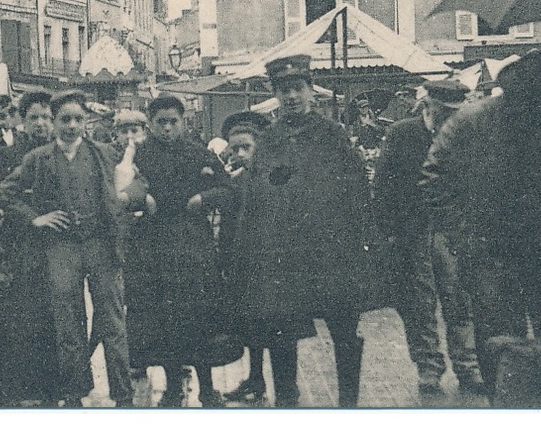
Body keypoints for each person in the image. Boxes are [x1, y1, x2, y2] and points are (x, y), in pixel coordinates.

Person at [199, 57, 378, 408]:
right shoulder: (271, 140)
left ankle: (349, 407)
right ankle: (287, 404)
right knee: (280, 332)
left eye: (298, 88)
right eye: (284, 90)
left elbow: (356, 191)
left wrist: (360, 244)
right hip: (286, 258)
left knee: (343, 330)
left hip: (331, 253)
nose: (292, 96)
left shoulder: (332, 135)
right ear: (276, 94)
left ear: (311, 91)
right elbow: (259, 198)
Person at [421, 48, 541, 398]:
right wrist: (464, 241)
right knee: (502, 351)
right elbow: (434, 180)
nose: (538, 110)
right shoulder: (471, 122)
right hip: (491, 256)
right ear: (514, 94)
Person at [0, 89, 136, 408]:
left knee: (112, 321)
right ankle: (74, 392)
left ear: (86, 120)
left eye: (77, 119)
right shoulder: (38, 158)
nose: (71, 126)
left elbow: (135, 183)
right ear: (55, 122)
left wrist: (123, 200)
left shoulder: (103, 152)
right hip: (62, 248)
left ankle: (123, 395)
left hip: (100, 244)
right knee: (68, 320)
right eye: (64, 119)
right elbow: (2, 193)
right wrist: (36, 218)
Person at [374, 79, 483, 398]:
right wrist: (390, 232)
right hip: (413, 232)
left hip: (452, 232)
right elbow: (383, 185)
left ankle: (468, 366)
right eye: (445, 111)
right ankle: (428, 369)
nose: (451, 117)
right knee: (419, 304)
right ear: (428, 105)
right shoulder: (402, 133)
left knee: (459, 298)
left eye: (456, 111)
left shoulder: (465, 134)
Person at [128, 95, 223, 407]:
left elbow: (228, 190)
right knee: (165, 317)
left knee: (200, 315)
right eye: (161, 122)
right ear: (150, 123)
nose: (167, 128)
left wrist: (204, 199)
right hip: (155, 245)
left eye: (173, 122)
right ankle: (171, 387)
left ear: (184, 122)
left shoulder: (200, 153)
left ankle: (207, 388)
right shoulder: (139, 155)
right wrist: (143, 198)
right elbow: (123, 188)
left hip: (193, 243)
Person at [0, 89, 61, 405]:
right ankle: (8, 389)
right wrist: (32, 217)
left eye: (46, 117)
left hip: (55, 244)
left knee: (51, 316)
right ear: (21, 121)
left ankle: (49, 388)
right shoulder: (13, 155)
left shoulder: (61, 152)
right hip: (20, 243)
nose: (41, 124)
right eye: (33, 118)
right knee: (14, 316)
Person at [209, 112, 270, 403]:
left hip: (267, 261)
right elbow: (227, 226)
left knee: (273, 326)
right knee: (249, 325)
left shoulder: (269, 179)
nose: (240, 154)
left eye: (246, 147)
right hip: (240, 262)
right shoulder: (233, 181)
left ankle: (281, 385)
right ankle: (255, 378)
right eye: (235, 149)